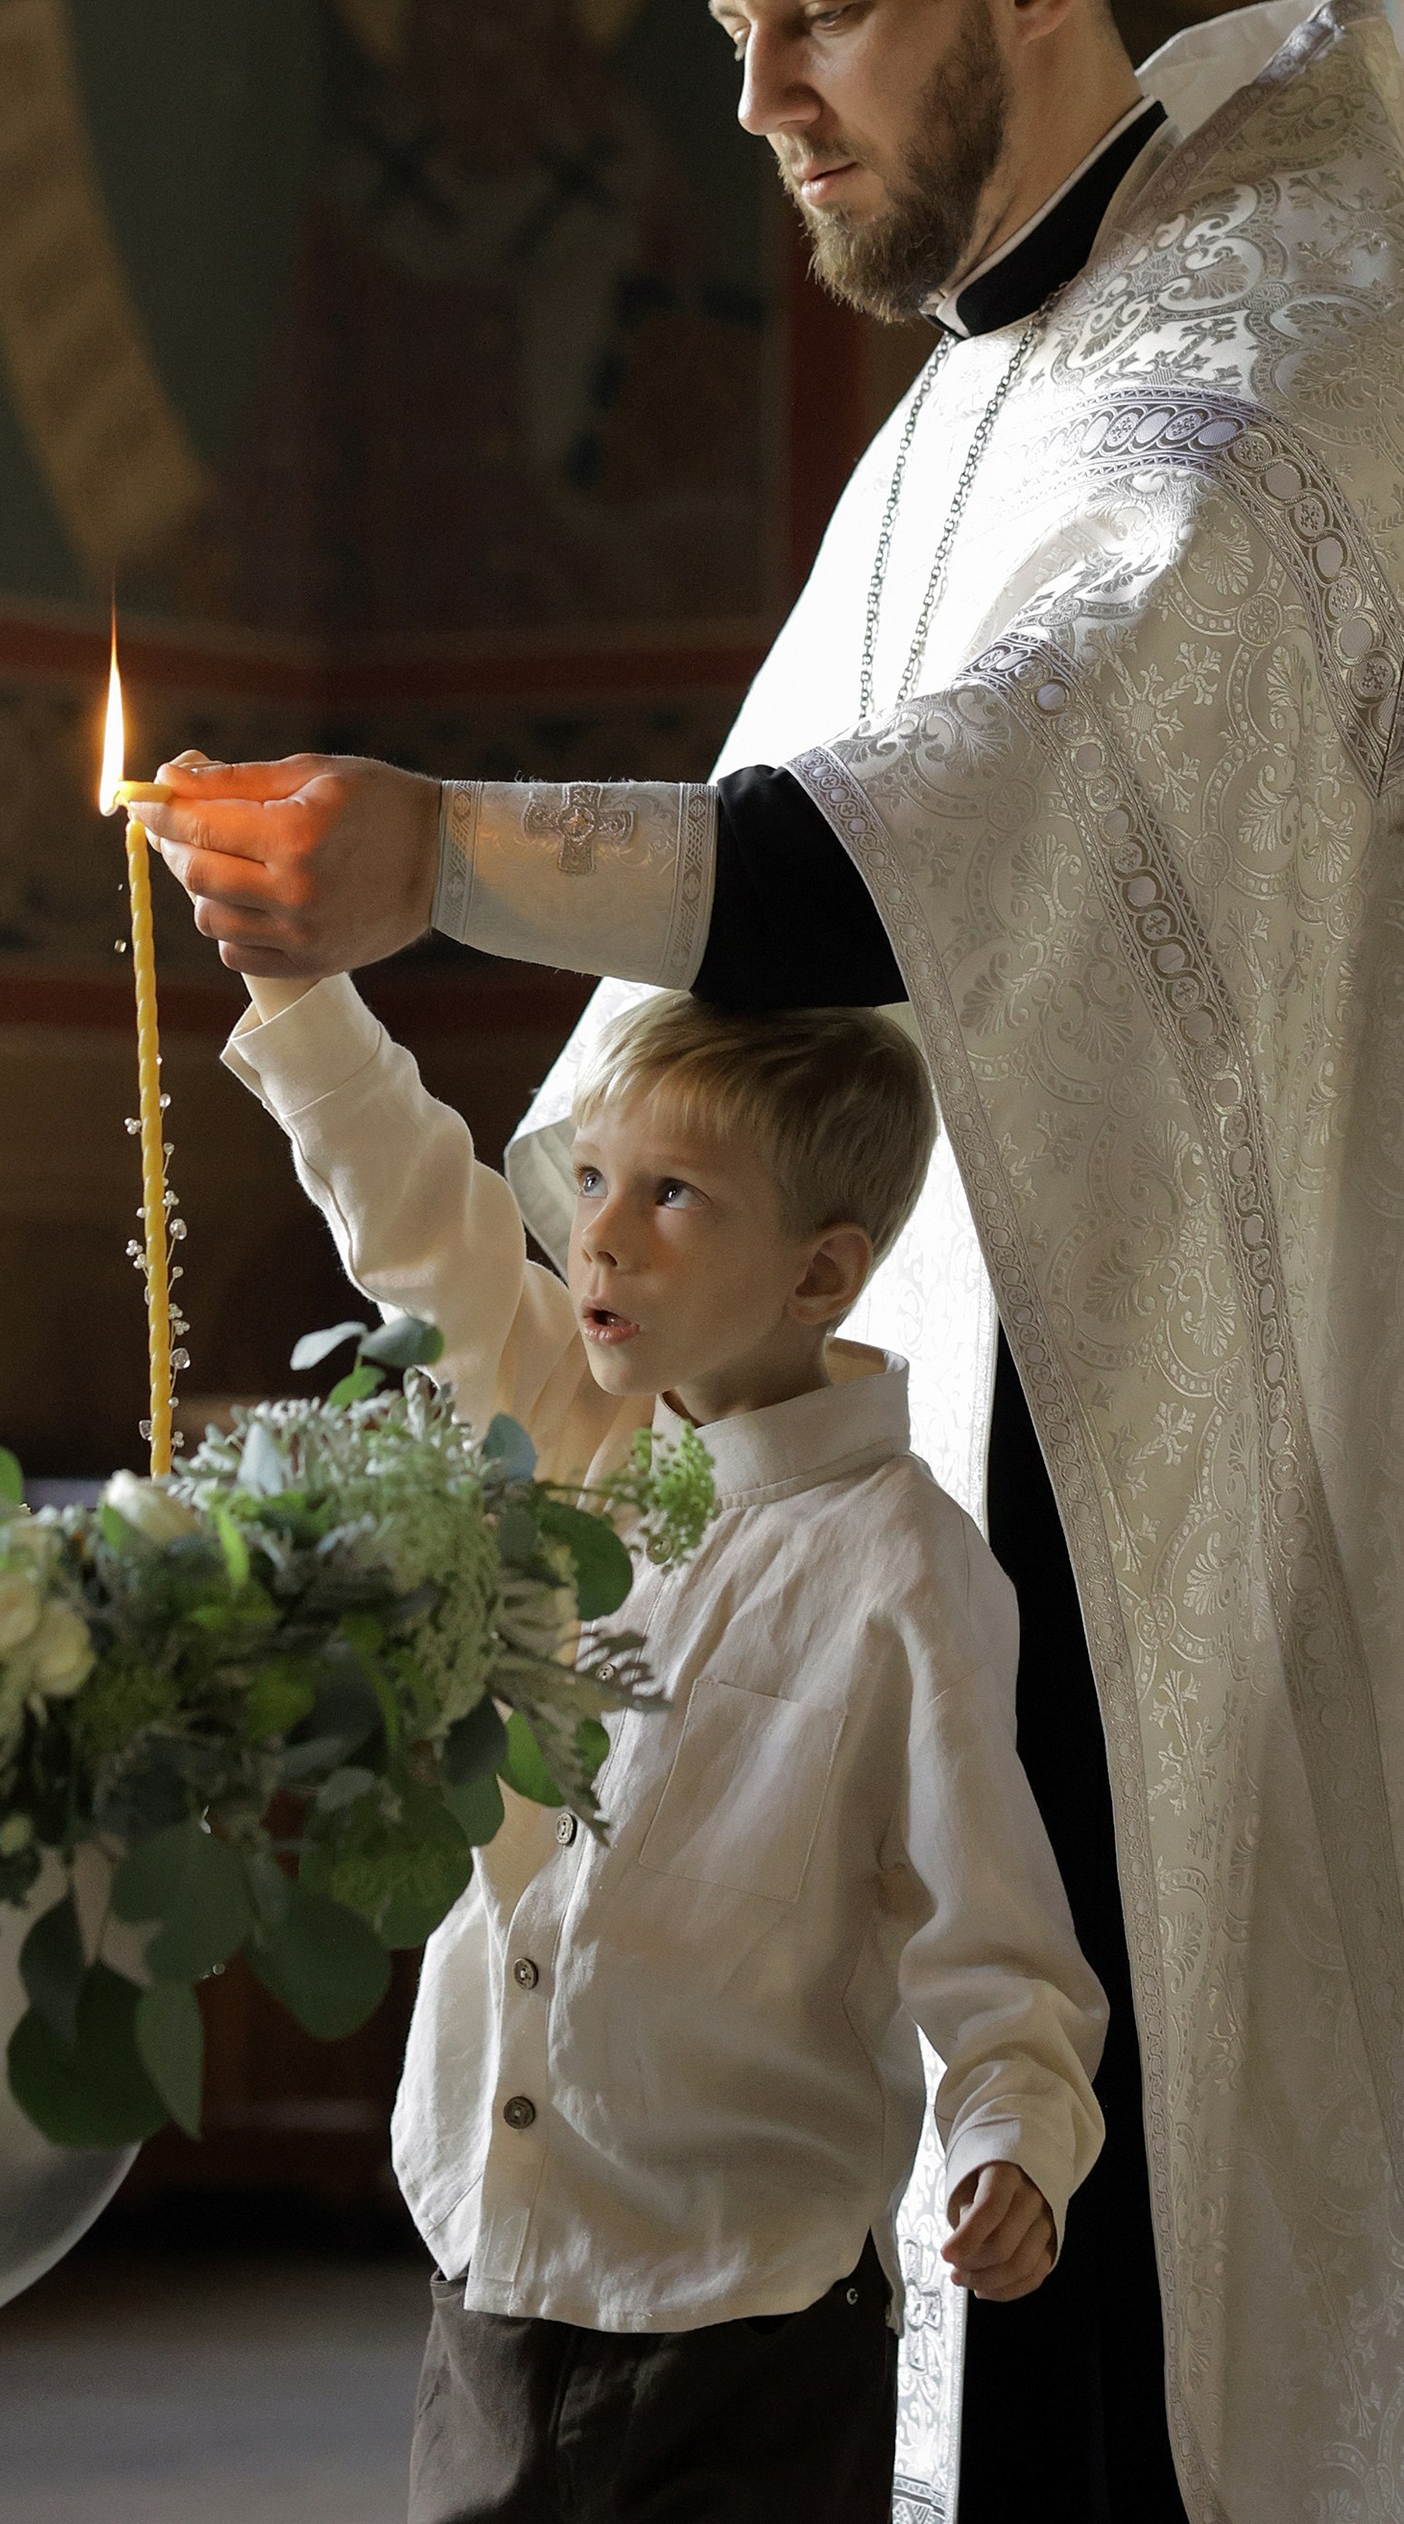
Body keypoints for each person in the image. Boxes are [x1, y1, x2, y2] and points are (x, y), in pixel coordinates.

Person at [148, 0, 1404, 2523]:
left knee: (1145, 2317)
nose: (763, 108)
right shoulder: (1008, 371)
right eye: (736, 46)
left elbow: (912, 858)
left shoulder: (1256, 367)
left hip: (1202, 1510)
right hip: (980, 1436)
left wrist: (442, 856)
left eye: (824, 20)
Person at [220, 972, 1105, 2524]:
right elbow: (423, 1213)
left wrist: (1012, 2137)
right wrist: (295, 988)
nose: (604, 1234)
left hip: (748, 2325)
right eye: (595, 1181)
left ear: (821, 1269)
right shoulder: (567, 1428)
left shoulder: (905, 1570)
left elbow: (996, 1936)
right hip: (494, 2279)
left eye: (674, 1194)